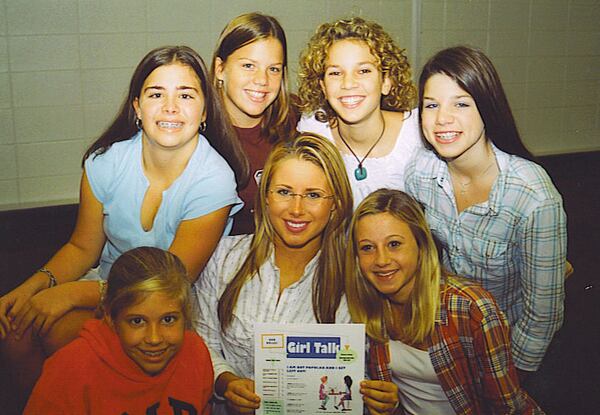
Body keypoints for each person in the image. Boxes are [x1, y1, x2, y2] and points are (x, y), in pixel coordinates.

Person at [0, 45, 243, 395]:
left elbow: (169, 279)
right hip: (103, 287)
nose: (171, 107)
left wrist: (70, 295)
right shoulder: (104, 163)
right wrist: (30, 289)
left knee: (57, 332)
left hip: (170, 304)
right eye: (156, 93)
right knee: (15, 326)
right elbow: (82, 247)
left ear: (205, 111)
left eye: (186, 95)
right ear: (137, 108)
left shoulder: (216, 178)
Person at [405, 46, 567, 377]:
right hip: (447, 337)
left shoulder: (532, 196)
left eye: (461, 104)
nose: (443, 119)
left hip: (507, 348)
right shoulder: (420, 173)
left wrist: (507, 380)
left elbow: (543, 314)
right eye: (431, 105)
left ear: (487, 108)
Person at [195, 133, 353, 414]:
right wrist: (226, 382)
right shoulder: (223, 257)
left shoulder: (354, 282)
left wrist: (379, 395)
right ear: (266, 197)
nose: (296, 209)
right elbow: (203, 338)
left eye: (313, 195)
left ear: (335, 205)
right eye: (283, 192)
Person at [346, 189, 542, 415]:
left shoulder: (472, 309)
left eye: (394, 244)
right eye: (367, 248)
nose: (381, 260)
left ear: (421, 245)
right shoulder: (364, 309)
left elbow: (507, 408)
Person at [24, 246, 213, 415]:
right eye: (137, 321)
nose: (154, 338)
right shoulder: (70, 369)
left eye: (168, 319)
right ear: (110, 317)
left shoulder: (195, 352)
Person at [297, 17, 421, 208]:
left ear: (386, 82)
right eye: (335, 73)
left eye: (363, 71)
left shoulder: (417, 134)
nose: (348, 84)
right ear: (322, 86)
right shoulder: (314, 131)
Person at [212, 12, 298, 234]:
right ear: (220, 68)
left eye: (274, 69)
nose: (262, 80)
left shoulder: (294, 122)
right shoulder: (198, 133)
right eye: (249, 66)